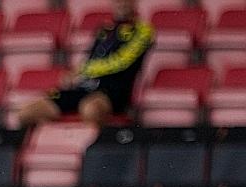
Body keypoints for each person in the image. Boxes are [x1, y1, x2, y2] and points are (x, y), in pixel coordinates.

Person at [17, 0, 153, 128]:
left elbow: (121, 61)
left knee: (90, 109)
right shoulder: (105, 29)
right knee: (26, 113)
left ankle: (95, 151)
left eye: (125, 0)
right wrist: (73, 74)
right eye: (117, 0)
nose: (121, 3)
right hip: (84, 87)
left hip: (113, 91)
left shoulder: (144, 30)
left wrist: (82, 70)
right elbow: (90, 59)